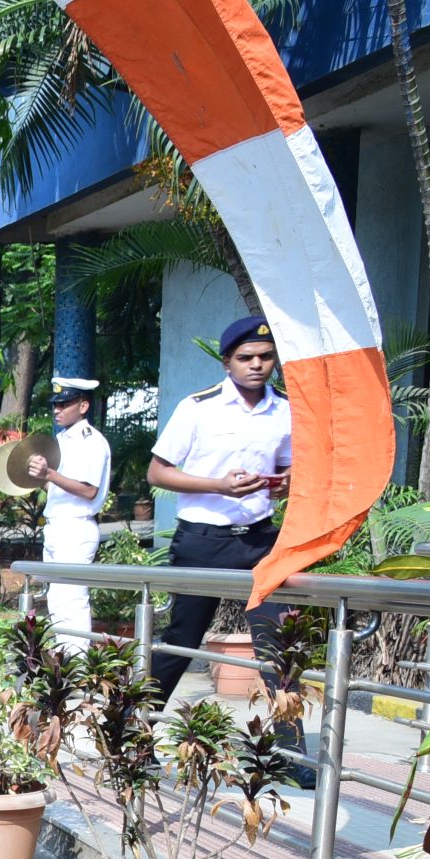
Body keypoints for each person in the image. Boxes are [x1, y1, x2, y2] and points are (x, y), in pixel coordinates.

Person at [144, 317, 311, 785]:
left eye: (265, 357)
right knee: (180, 642)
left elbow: (288, 469)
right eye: (246, 358)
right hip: (203, 540)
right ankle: (135, 735)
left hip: (260, 539)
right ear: (227, 362)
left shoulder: (284, 411)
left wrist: (281, 487)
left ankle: (289, 755)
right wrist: (219, 485)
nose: (257, 365)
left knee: (280, 644)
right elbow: (157, 473)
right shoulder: (198, 409)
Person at [24, 376, 110, 643]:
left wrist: (49, 474)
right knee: (58, 603)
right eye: (56, 405)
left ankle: (77, 671)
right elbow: (58, 488)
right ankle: (64, 667)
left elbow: (89, 490)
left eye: (64, 404)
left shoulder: (91, 441)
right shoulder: (62, 440)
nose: (57, 410)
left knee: (71, 602)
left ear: (83, 407)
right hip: (58, 525)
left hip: (76, 526)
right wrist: (41, 477)